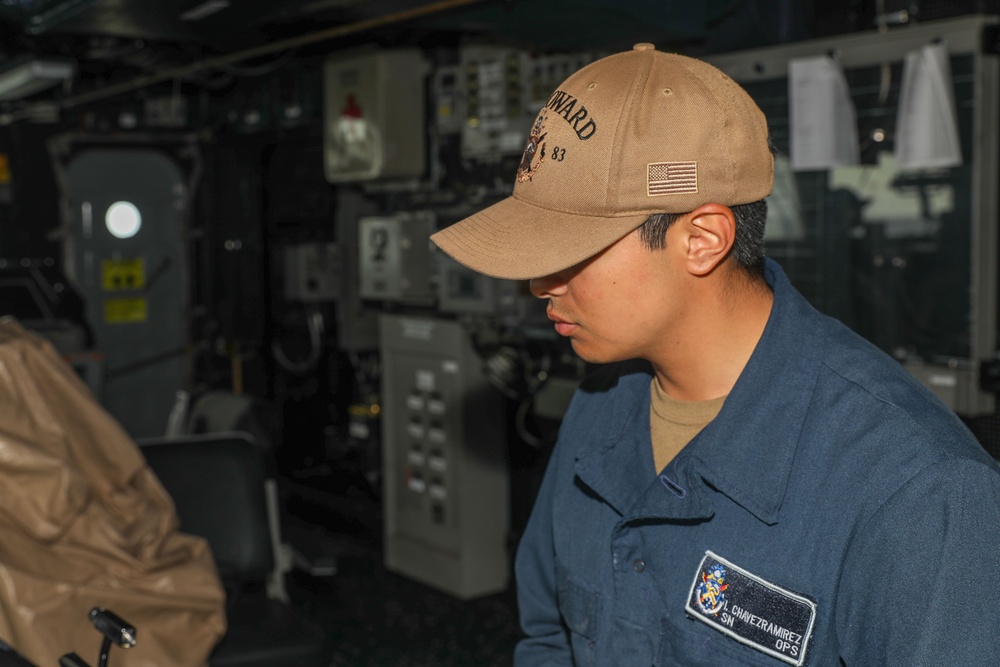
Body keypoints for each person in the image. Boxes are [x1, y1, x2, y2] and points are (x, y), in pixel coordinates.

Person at [430, 43, 1000, 666]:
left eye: (570, 252)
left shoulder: (920, 494)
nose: (540, 285)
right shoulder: (601, 406)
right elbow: (550, 637)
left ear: (701, 239)